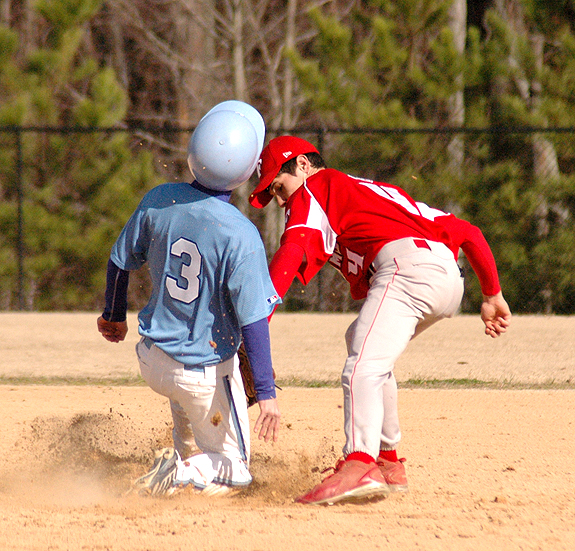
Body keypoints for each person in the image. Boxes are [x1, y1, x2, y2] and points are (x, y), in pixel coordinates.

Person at [248, 135, 512, 505]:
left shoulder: (317, 187)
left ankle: (359, 463)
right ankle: (388, 461)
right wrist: (492, 294)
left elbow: (290, 255)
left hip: (408, 270)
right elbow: (468, 232)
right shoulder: (375, 192)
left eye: (279, 186)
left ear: (304, 166)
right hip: (446, 277)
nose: (279, 200)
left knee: (361, 367)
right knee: (362, 340)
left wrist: (257, 322)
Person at [97, 101, 281, 497]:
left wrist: (114, 315)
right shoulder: (242, 235)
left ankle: (184, 471)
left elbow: (118, 261)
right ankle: (179, 472)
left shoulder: (160, 199)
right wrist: (265, 392)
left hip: (151, 358)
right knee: (238, 470)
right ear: (249, 170)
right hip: (201, 372)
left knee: (194, 422)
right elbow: (253, 321)